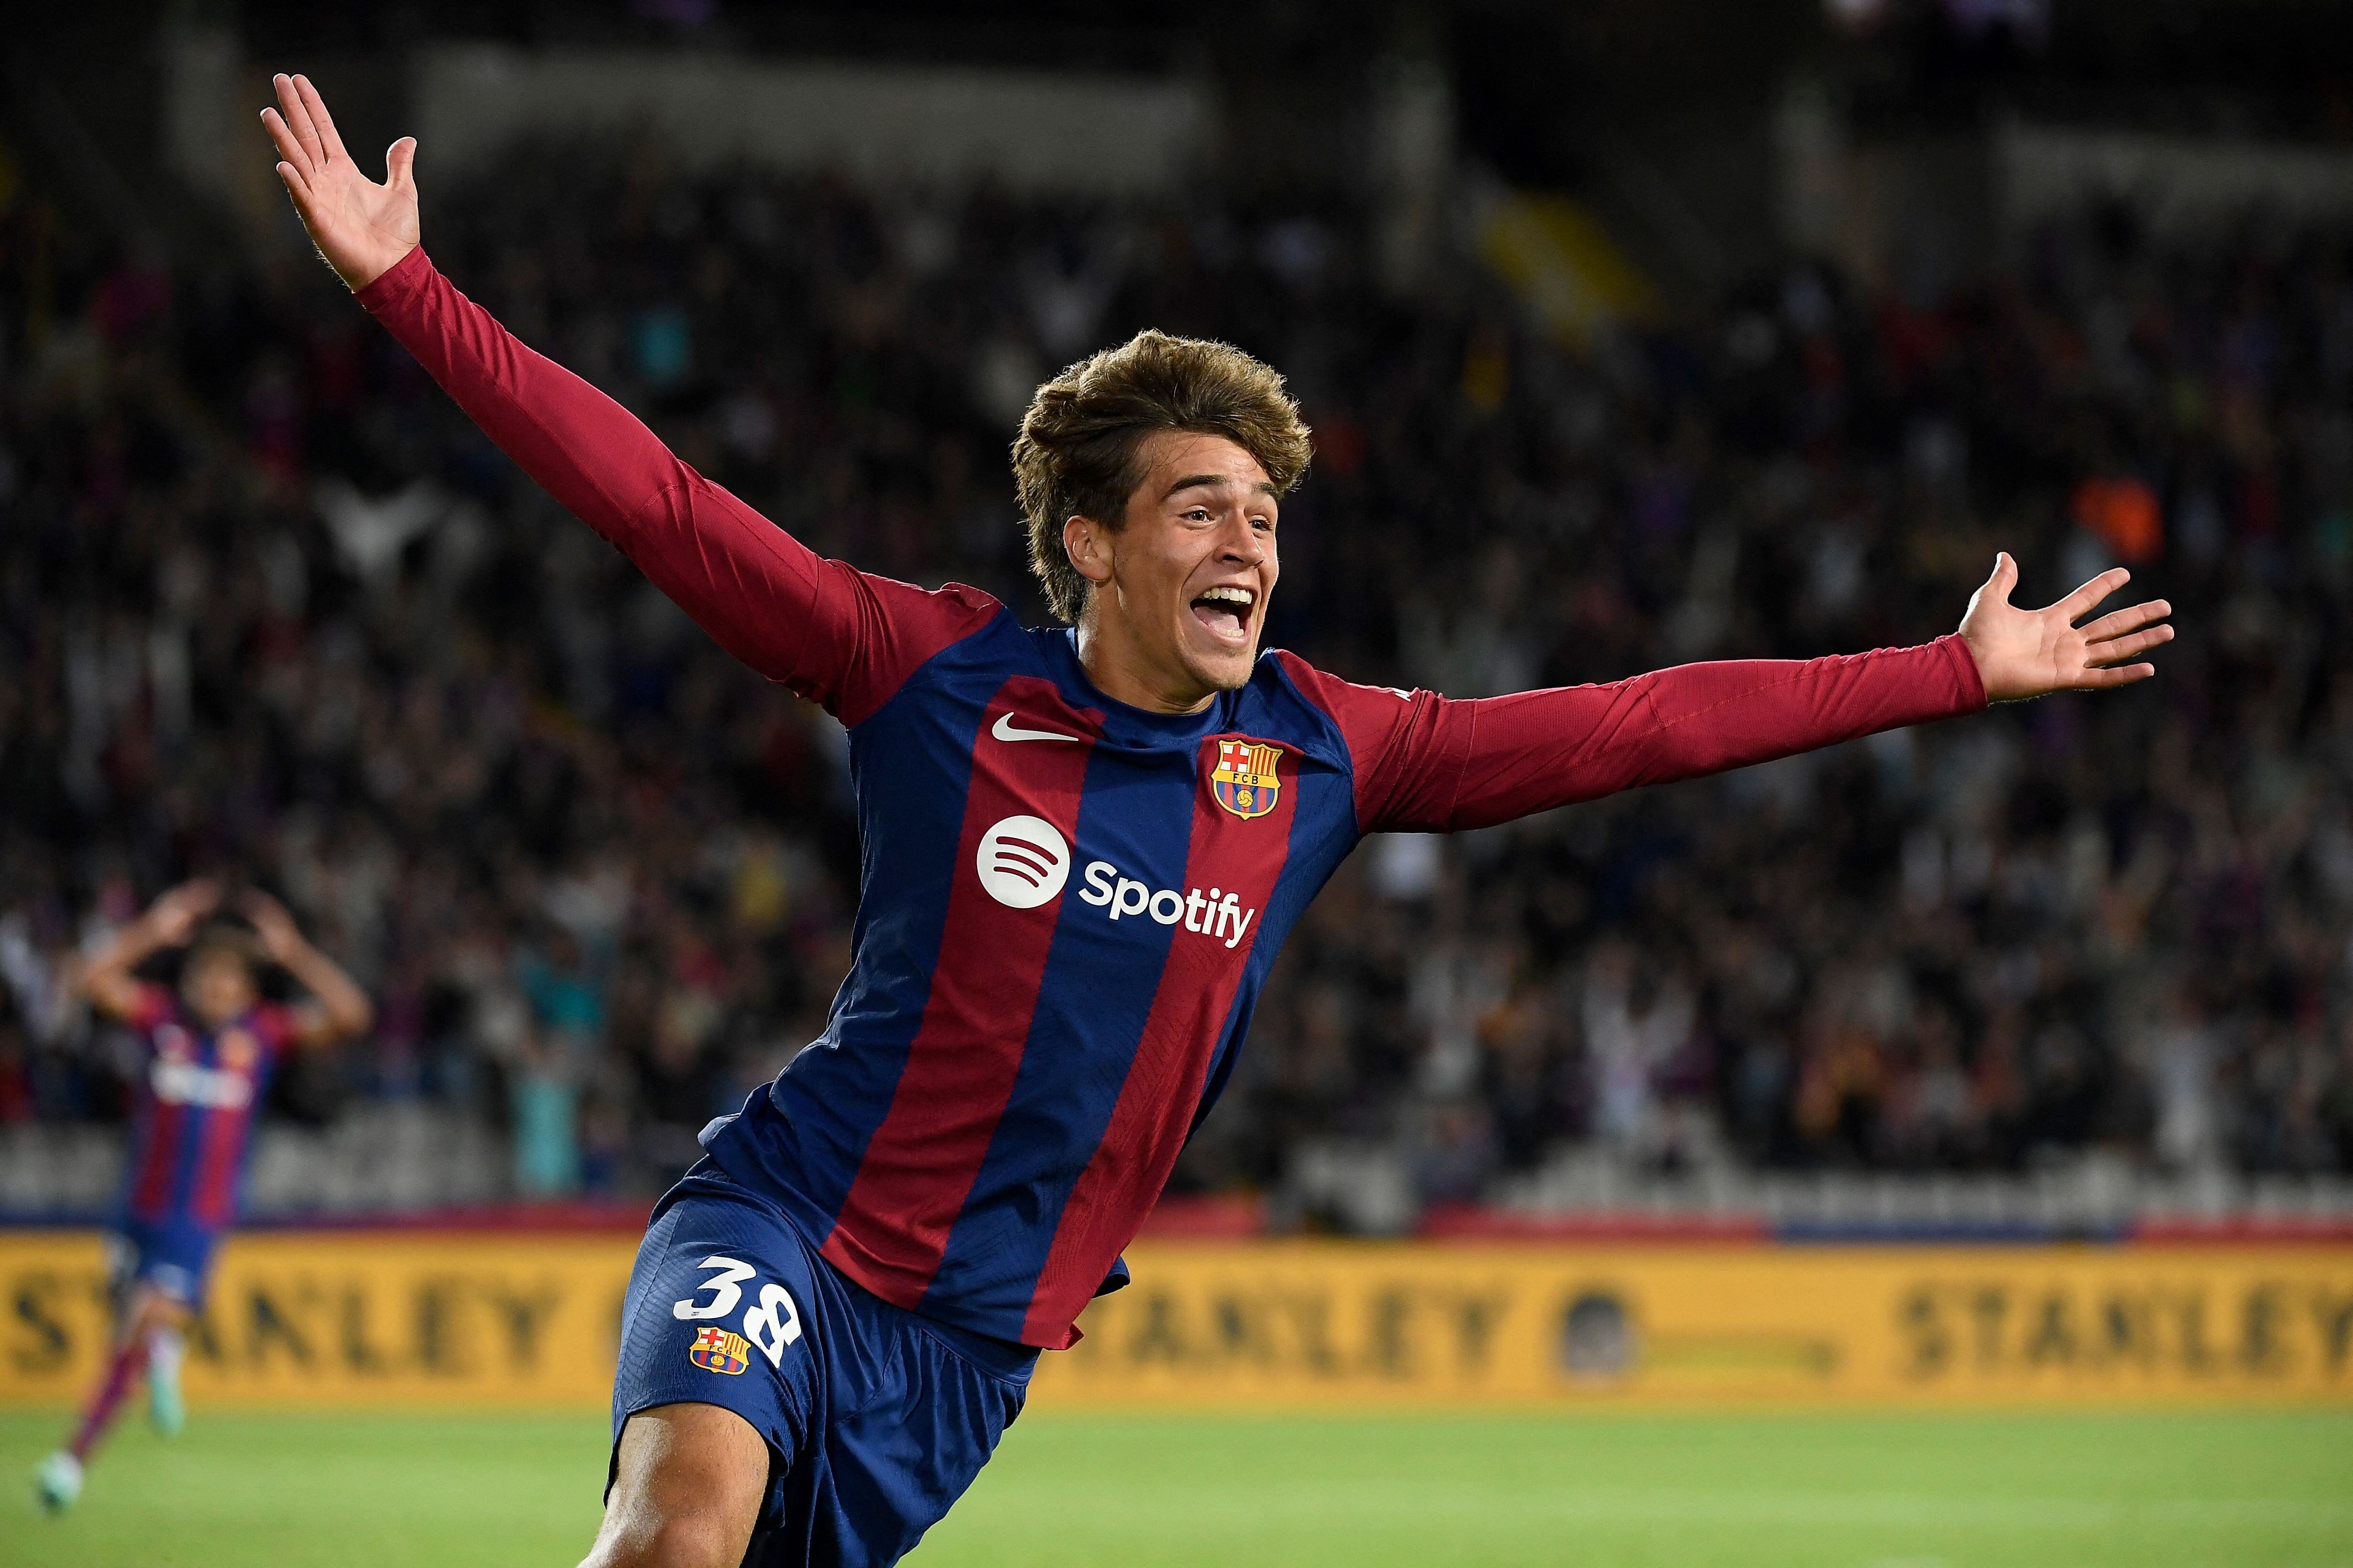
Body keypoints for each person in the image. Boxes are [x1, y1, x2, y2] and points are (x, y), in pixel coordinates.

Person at [258, 73, 2173, 1568]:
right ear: (1088, 539)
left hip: (971, 1352)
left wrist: (1944, 669)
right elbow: (663, 509)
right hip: (788, 1221)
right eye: (1197, 504)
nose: (1244, 538)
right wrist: (406, 287)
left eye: (1262, 511)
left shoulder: (1327, 754)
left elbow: (1637, 724)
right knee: (675, 1522)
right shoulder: (929, 677)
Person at [32, 879, 373, 1512]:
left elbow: (353, 1014)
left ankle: (70, 1461)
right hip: (136, 1209)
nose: (215, 992)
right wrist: (150, 932)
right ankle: (164, 1352)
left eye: (229, 983)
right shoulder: (162, 1022)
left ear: (245, 991)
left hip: (196, 1220)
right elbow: (84, 981)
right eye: (205, 980)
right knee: (127, 1331)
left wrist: (293, 951)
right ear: (189, 982)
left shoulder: (264, 1037)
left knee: (139, 1321)